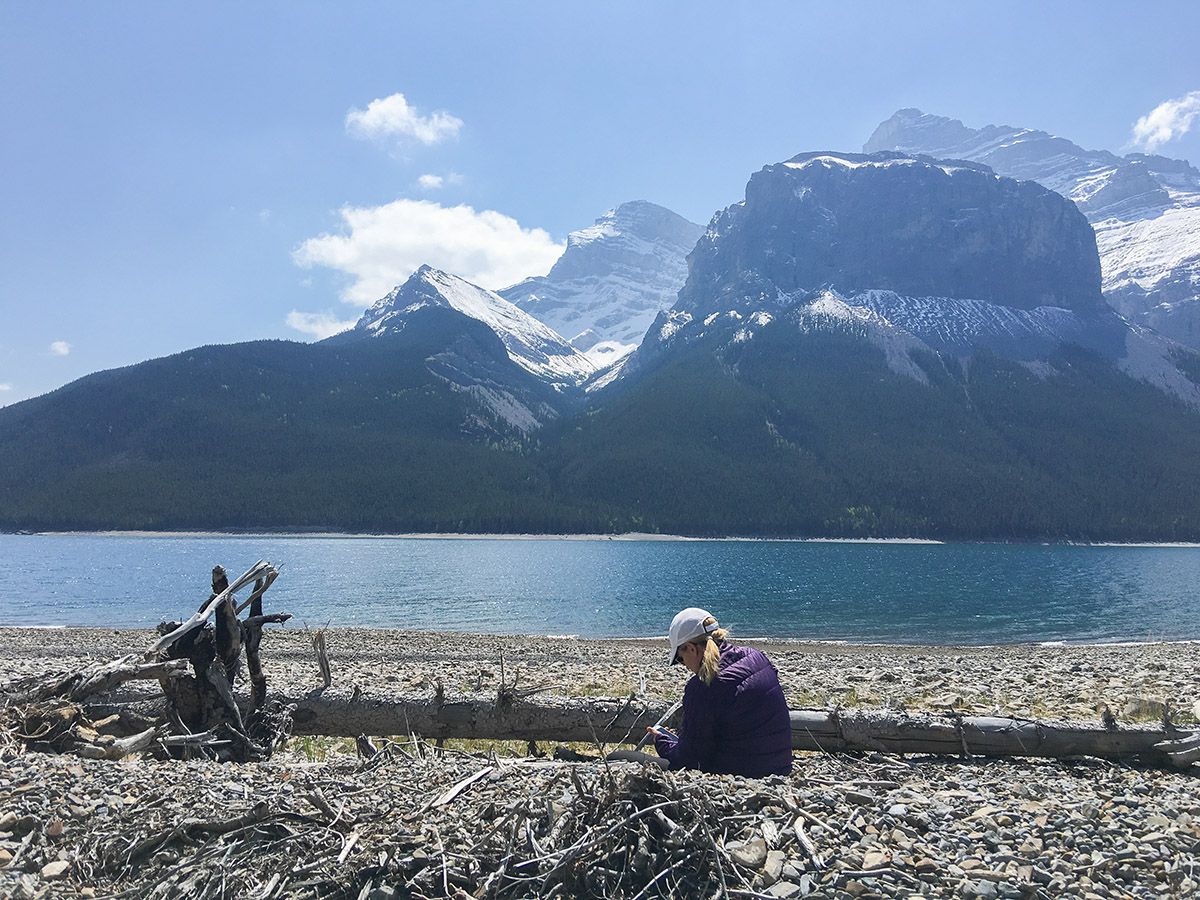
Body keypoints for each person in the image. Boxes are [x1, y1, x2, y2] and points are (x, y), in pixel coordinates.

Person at [651, 607, 792, 776]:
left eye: (679, 659)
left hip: (740, 775)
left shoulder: (703, 686)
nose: (685, 666)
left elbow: (690, 760)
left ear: (691, 649)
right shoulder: (756, 656)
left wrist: (662, 742)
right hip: (780, 769)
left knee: (620, 757)